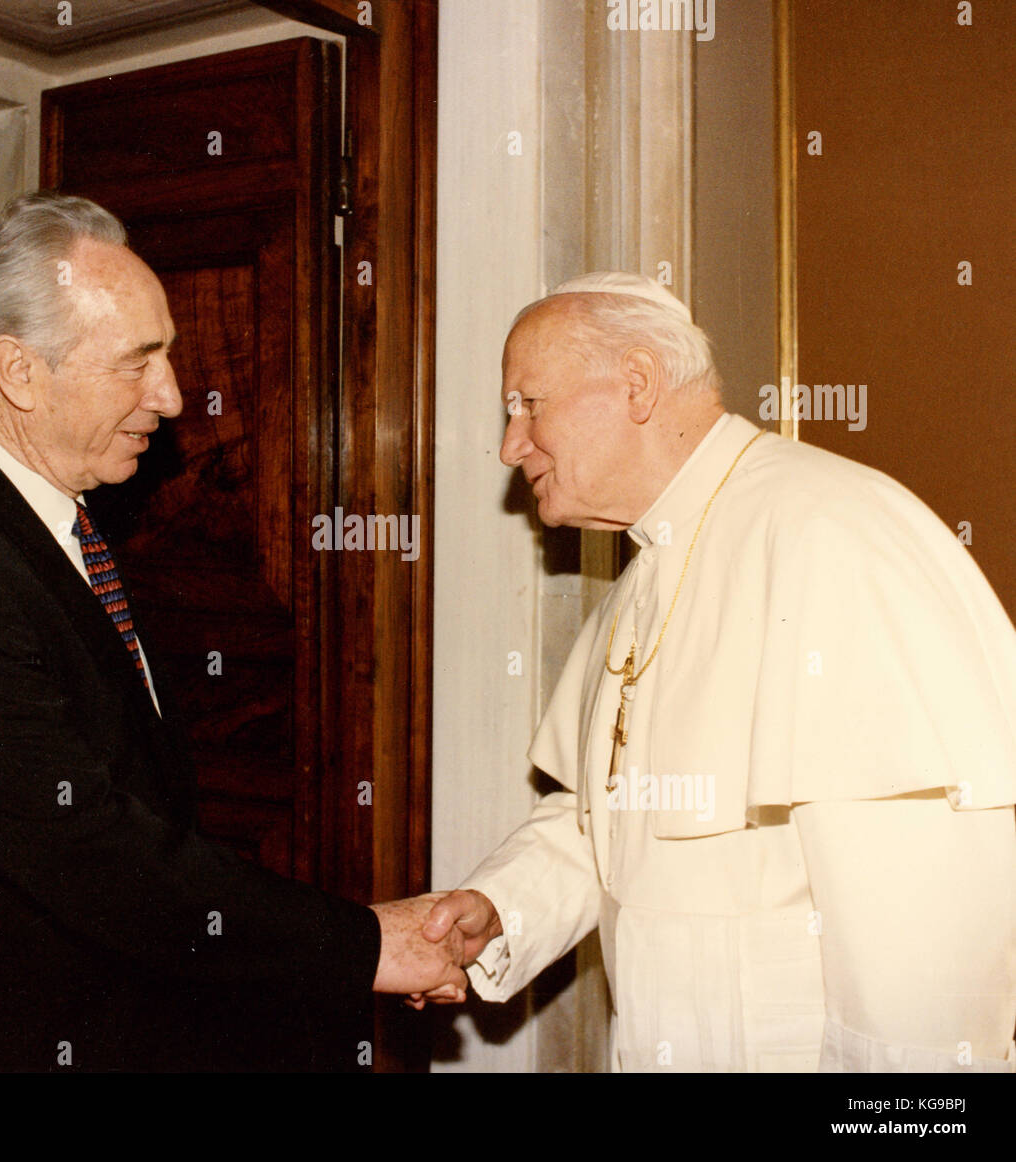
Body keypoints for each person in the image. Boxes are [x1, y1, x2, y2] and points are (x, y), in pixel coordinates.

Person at [0, 191, 464, 1072]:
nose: (171, 395)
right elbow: (90, 851)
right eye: (139, 361)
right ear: (18, 371)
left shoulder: (58, 519)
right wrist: (361, 945)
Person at [416, 272, 1016, 1071]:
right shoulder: (649, 567)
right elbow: (616, 822)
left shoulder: (828, 536)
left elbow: (919, 941)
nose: (509, 446)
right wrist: (501, 907)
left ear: (635, 384)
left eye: (528, 404)